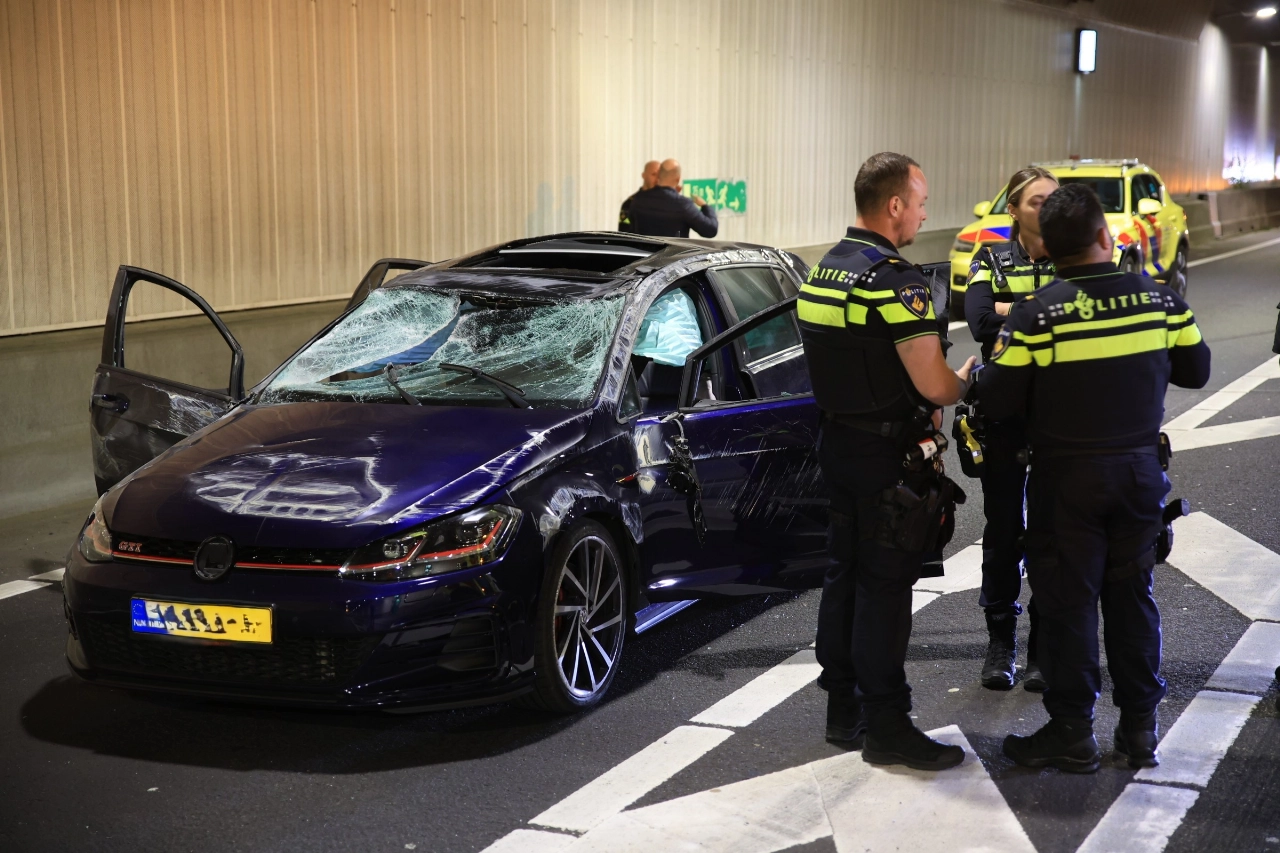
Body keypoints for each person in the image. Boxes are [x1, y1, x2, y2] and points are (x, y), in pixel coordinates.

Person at [980, 184, 1211, 773]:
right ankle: (1139, 731)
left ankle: (1072, 732)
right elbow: (1196, 369)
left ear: (1049, 253)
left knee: (1068, 604)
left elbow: (1000, 400)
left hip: (1066, 480)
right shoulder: (1163, 302)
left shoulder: (1039, 315)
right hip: (1138, 474)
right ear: (1106, 238)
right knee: (1134, 598)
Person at [799, 152, 978, 771]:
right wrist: (967, 381)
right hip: (885, 458)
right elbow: (931, 385)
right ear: (895, 205)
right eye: (920, 201)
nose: (924, 212)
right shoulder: (893, 280)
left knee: (842, 575)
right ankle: (888, 726)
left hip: (838, 446)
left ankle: (841, 709)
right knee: (884, 589)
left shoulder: (824, 271)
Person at [963, 166, 1059, 692]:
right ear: (1014, 211)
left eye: (1053, 199)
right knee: (1002, 533)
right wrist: (1043, 311)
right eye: (1035, 200)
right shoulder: (991, 257)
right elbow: (977, 320)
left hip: (1061, 417)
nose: (1046, 208)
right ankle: (1002, 645)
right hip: (1002, 414)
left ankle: (1044, 651)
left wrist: (1011, 308)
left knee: (1051, 533)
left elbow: (1079, 320)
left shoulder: (1077, 258)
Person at [627, 159, 719, 238]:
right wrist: (705, 206)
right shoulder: (683, 204)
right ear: (678, 179)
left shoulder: (638, 200)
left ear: (659, 175)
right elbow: (710, 230)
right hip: (673, 258)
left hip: (645, 256)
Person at [618, 160, 660, 233]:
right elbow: (623, 233)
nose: (657, 179)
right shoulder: (630, 203)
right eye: (654, 174)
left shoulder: (665, 202)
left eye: (659, 176)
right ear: (643, 175)